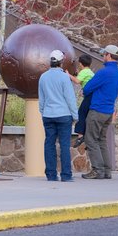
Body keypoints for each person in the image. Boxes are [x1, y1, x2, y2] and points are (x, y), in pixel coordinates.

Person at [81, 44, 118, 179]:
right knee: (102, 140)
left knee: (91, 139)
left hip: (97, 110)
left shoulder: (103, 72)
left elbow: (87, 88)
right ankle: (106, 171)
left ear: (108, 55)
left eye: (104, 54)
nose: (102, 57)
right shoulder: (117, 73)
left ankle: (97, 170)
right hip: (109, 111)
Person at [38, 49, 78, 182]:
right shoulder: (64, 77)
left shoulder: (43, 77)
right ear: (61, 63)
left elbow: (42, 99)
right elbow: (70, 98)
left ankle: (51, 174)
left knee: (49, 144)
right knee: (64, 145)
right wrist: (75, 116)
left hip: (48, 115)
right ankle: (66, 175)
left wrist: (43, 112)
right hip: (64, 115)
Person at [69, 54, 95, 148]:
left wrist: (67, 74)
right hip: (92, 96)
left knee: (81, 113)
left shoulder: (84, 72)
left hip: (89, 96)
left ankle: (80, 136)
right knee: (88, 115)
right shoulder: (90, 72)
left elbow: (77, 81)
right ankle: (88, 137)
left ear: (81, 63)